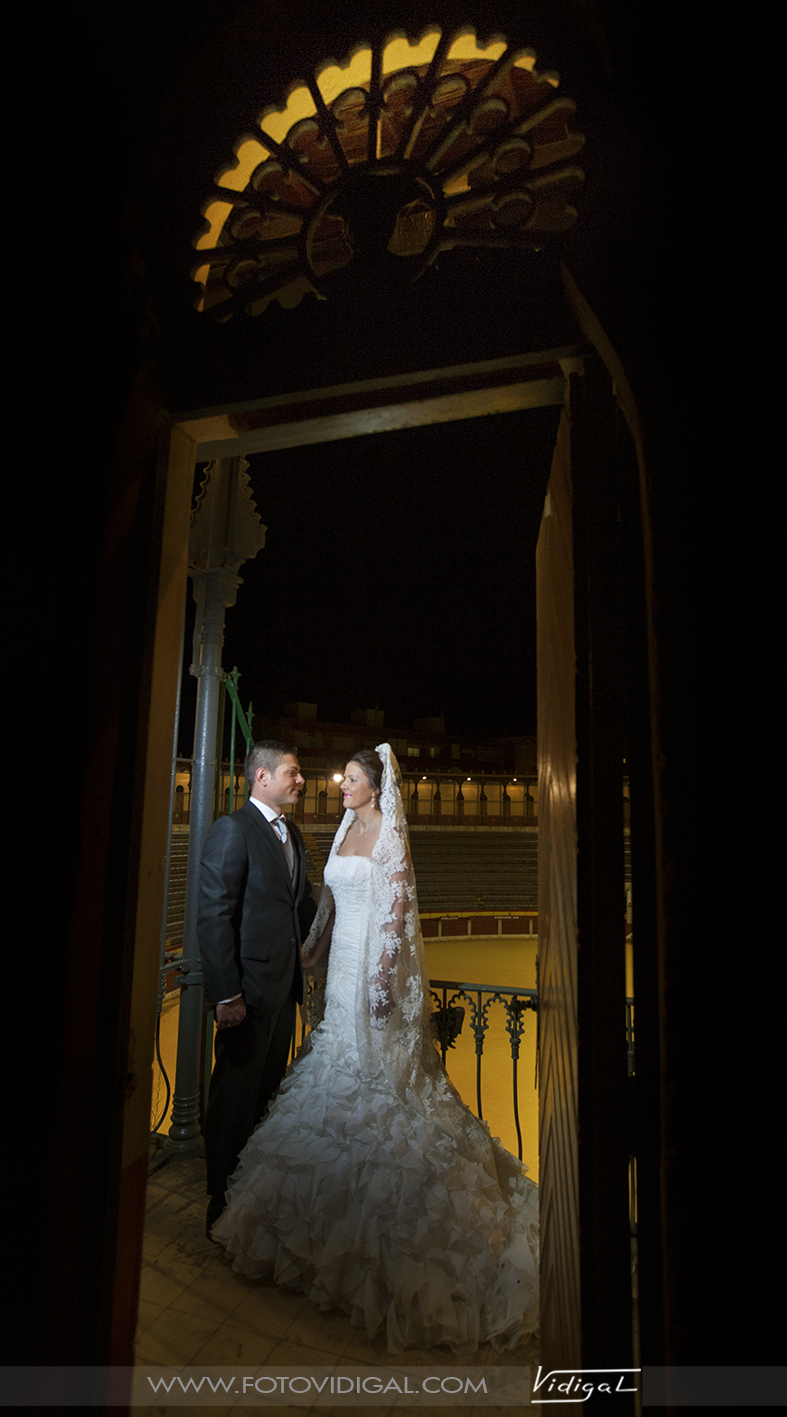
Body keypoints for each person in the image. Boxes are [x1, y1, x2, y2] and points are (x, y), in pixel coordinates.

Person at [211, 744, 539, 1354]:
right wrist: (313, 953)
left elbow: (393, 915)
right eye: (342, 779)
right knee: (330, 1077)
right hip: (337, 975)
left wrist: (382, 983)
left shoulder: (389, 833)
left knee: (379, 1093)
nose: (340, 786)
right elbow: (331, 905)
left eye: (352, 779)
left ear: (374, 786)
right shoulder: (340, 832)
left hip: (370, 975)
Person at [197, 740, 316, 1236]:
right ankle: (219, 1203)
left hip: (281, 990)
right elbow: (213, 913)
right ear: (262, 777)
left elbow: (301, 908)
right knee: (233, 1100)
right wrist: (227, 994)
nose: (301, 779)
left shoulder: (294, 834)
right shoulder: (233, 829)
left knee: (266, 1095)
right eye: (293, 771)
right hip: (246, 994)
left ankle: (249, 1195)